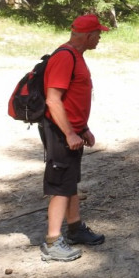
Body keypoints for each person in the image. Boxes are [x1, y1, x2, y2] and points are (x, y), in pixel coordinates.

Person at [39, 14, 108, 262]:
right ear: (88, 35)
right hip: (60, 131)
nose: (99, 38)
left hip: (72, 131)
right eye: (98, 34)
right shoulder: (65, 57)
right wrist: (69, 132)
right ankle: (52, 242)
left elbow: (73, 100)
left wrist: (82, 128)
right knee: (60, 186)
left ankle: (75, 228)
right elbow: (53, 100)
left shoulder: (77, 56)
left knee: (70, 182)